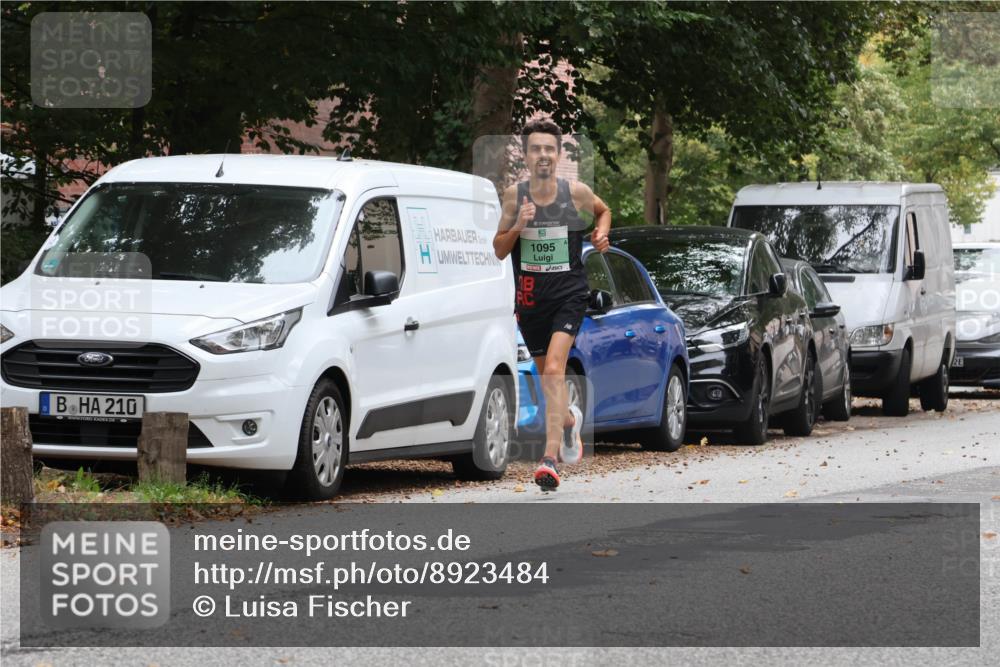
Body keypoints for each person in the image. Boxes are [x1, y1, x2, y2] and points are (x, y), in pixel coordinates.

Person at [492, 119, 611, 490]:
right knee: (548, 378)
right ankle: (570, 421)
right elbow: (498, 250)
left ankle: (549, 459)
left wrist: (601, 233)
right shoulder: (515, 196)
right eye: (535, 149)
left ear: (558, 154)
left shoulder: (575, 193)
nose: (543, 154)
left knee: (556, 368)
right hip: (530, 300)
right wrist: (518, 226)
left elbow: (603, 210)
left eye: (549, 148)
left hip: (569, 294)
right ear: (525, 156)